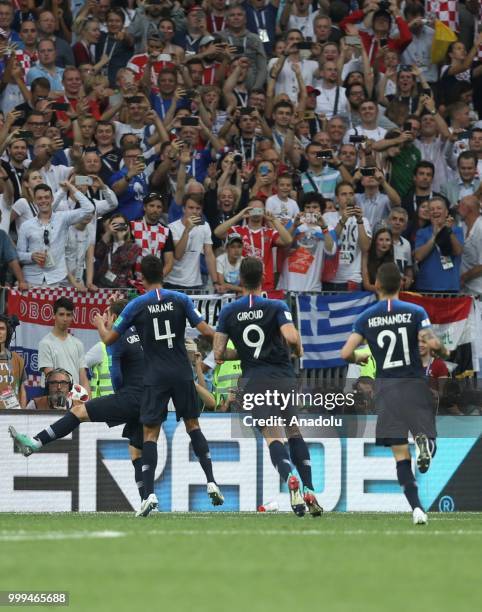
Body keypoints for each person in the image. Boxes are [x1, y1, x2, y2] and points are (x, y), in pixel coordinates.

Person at [93, 255, 224, 517]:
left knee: (150, 434)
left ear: (141, 278)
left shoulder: (135, 306)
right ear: (164, 274)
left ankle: (149, 494)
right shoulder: (181, 299)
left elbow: (109, 340)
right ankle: (211, 480)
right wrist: (221, 345)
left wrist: (100, 325)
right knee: (193, 425)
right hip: (181, 372)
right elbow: (207, 332)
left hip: (155, 377)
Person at [214, 256, 323, 518]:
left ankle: (290, 478)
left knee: (273, 436)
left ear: (240, 279)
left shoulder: (229, 311)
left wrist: (245, 353)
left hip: (254, 380)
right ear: (263, 277)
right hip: (282, 377)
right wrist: (297, 348)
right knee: (293, 429)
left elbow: (218, 353)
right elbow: (290, 336)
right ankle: (308, 489)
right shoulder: (275, 305)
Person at [9, 299, 148, 505]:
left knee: (78, 413)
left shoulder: (121, 335)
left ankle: (34, 443)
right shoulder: (141, 335)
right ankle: (147, 499)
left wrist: (101, 324)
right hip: (147, 401)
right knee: (136, 450)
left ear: (115, 319)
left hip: (128, 398)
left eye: (107, 315)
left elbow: (111, 352)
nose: (104, 318)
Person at [341, 262, 448, 525]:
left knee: (401, 455)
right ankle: (425, 443)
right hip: (414, 386)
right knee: (429, 442)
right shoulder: (415, 311)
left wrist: (359, 357)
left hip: (387, 392)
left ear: (377, 285)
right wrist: (442, 350)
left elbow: (345, 353)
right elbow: (431, 341)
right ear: (401, 284)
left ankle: (417, 510)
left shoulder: (366, 318)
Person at [16, 181, 95, 287]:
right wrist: (31, 256)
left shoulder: (63, 218)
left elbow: (89, 209)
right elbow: (18, 255)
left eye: (46, 197)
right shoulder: (26, 225)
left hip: (55, 278)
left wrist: (70, 187)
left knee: (54, 305)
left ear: (52, 199)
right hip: (31, 279)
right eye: (39, 198)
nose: (43, 201)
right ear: (34, 200)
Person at [38, 296, 90, 393]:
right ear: (54, 315)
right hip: (54, 397)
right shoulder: (45, 343)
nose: (65, 318)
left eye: (68, 315)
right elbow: (51, 377)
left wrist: (87, 401)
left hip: (75, 399)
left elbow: (83, 377)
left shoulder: (78, 344)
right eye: (61, 314)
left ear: (72, 317)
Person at [413, 197, 464, 292]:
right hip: (426, 286)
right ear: (429, 214)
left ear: (446, 212)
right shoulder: (422, 232)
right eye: (432, 209)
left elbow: (458, 251)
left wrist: (448, 231)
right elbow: (418, 256)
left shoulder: (456, 230)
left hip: (450, 286)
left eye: (439, 208)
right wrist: (435, 236)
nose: (435, 211)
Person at [0, 315, 26, 409]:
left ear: (8, 332)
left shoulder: (17, 359)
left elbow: (22, 390)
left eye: (2, 329)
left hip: (12, 417)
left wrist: (22, 416)